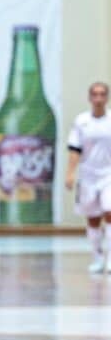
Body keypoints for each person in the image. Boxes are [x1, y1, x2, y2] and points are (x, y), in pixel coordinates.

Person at [65, 81, 111, 274]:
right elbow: (75, 149)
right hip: (88, 175)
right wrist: (70, 173)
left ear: (107, 97)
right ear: (90, 97)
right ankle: (97, 258)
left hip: (108, 175)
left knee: (109, 211)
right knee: (93, 218)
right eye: (95, 94)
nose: (98, 98)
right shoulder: (81, 121)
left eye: (102, 94)